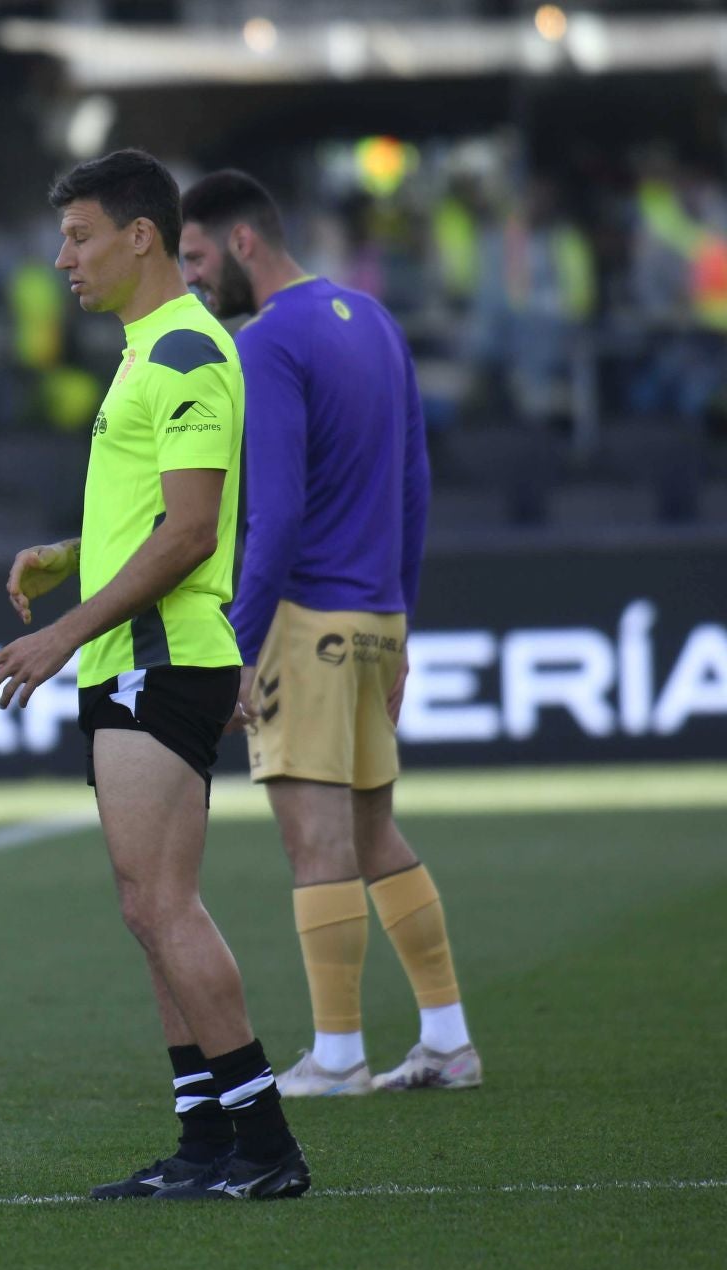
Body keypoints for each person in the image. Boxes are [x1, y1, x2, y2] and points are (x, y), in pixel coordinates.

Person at [0, 150, 308, 1201]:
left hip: (158, 660)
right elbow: (160, 510)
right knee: (147, 902)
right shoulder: (148, 348)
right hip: (135, 655)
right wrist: (76, 552)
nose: (63, 258)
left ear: (140, 237)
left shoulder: (188, 353)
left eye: (79, 236)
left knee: (164, 904)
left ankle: (265, 1147)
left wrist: (62, 629)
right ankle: (206, 1145)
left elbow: (196, 529)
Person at [179, 169, 481, 1096]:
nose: (192, 281)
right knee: (371, 831)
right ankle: (447, 1041)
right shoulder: (375, 320)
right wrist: (404, 618)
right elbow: (415, 486)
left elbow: (274, 515)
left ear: (242, 243)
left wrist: (236, 642)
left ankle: (339, 1056)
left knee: (315, 844)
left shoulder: (266, 342)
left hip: (307, 618)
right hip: (378, 613)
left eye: (195, 258)